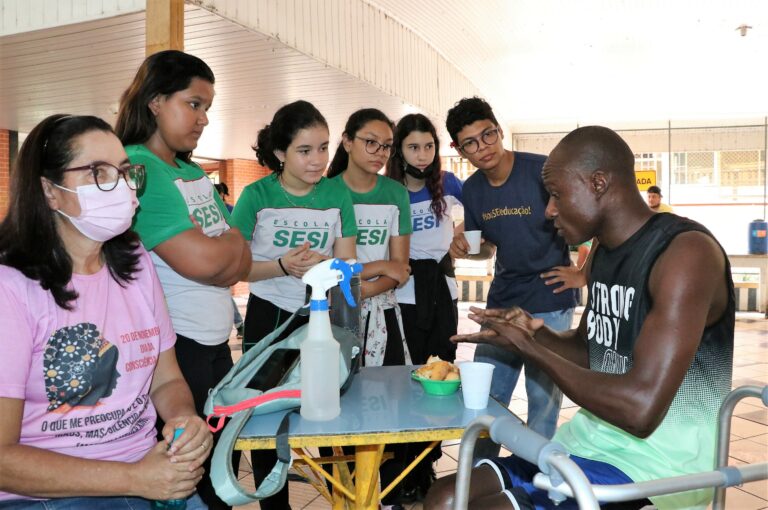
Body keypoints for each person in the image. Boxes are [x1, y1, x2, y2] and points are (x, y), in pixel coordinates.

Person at [426, 126, 734, 510]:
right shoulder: (605, 250)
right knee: (443, 498)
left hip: (660, 468)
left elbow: (640, 411)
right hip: (589, 444)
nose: (549, 210)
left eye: (556, 194)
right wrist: (532, 334)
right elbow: (592, 349)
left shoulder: (685, 254)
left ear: (599, 183)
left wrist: (532, 351)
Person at [0, 114, 212, 509]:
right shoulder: (10, 286)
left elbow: (165, 380)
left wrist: (183, 420)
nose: (119, 186)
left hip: (146, 471)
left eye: (125, 171)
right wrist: (136, 480)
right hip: (49, 493)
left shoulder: (134, 261)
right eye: (97, 172)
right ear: (49, 190)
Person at [115, 50, 252, 510]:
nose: (204, 119)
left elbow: (238, 261)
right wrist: (229, 247)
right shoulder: (141, 168)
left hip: (214, 344)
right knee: (188, 479)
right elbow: (206, 262)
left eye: (208, 107)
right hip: (177, 350)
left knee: (218, 472)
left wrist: (228, 250)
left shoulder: (191, 171)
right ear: (155, 101)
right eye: (194, 104)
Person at [229, 100, 357, 510]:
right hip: (268, 313)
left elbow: (349, 262)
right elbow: (234, 267)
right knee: (266, 412)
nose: (318, 160)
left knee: (326, 401)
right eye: (305, 151)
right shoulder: (256, 195)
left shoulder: (338, 193)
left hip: (320, 314)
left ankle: (341, 498)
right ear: (281, 153)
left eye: (323, 148)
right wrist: (283, 266)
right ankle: (273, 502)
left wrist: (330, 266)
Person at [446, 97, 576, 449]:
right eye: (471, 142)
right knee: (487, 399)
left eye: (488, 135)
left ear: (499, 130)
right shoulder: (472, 189)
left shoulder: (542, 170)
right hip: (503, 300)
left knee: (542, 403)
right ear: (460, 149)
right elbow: (487, 246)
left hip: (550, 298)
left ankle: (535, 483)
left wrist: (581, 275)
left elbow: (595, 218)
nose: (483, 147)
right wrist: (465, 248)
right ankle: (481, 474)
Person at [326, 108, 413, 509]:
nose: (379, 152)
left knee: (383, 407)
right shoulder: (327, 192)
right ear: (347, 141)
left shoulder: (395, 193)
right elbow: (328, 272)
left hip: (383, 315)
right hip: (335, 318)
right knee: (339, 408)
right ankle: (347, 498)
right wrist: (378, 270)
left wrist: (361, 285)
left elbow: (403, 270)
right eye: (370, 142)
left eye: (386, 146)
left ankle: (379, 496)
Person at [386, 113, 464, 365]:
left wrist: (458, 237)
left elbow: (482, 213)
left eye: (429, 146)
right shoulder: (387, 190)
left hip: (444, 290)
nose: (423, 155)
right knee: (404, 370)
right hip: (402, 293)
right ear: (399, 150)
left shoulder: (447, 182)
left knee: (443, 368)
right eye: (414, 147)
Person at [214, 182, 244, 338]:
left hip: (225, 255)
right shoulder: (212, 209)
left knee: (224, 293)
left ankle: (239, 324)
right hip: (213, 255)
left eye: (218, 193)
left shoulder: (230, 210)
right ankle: (238, 324)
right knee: (223, 294)